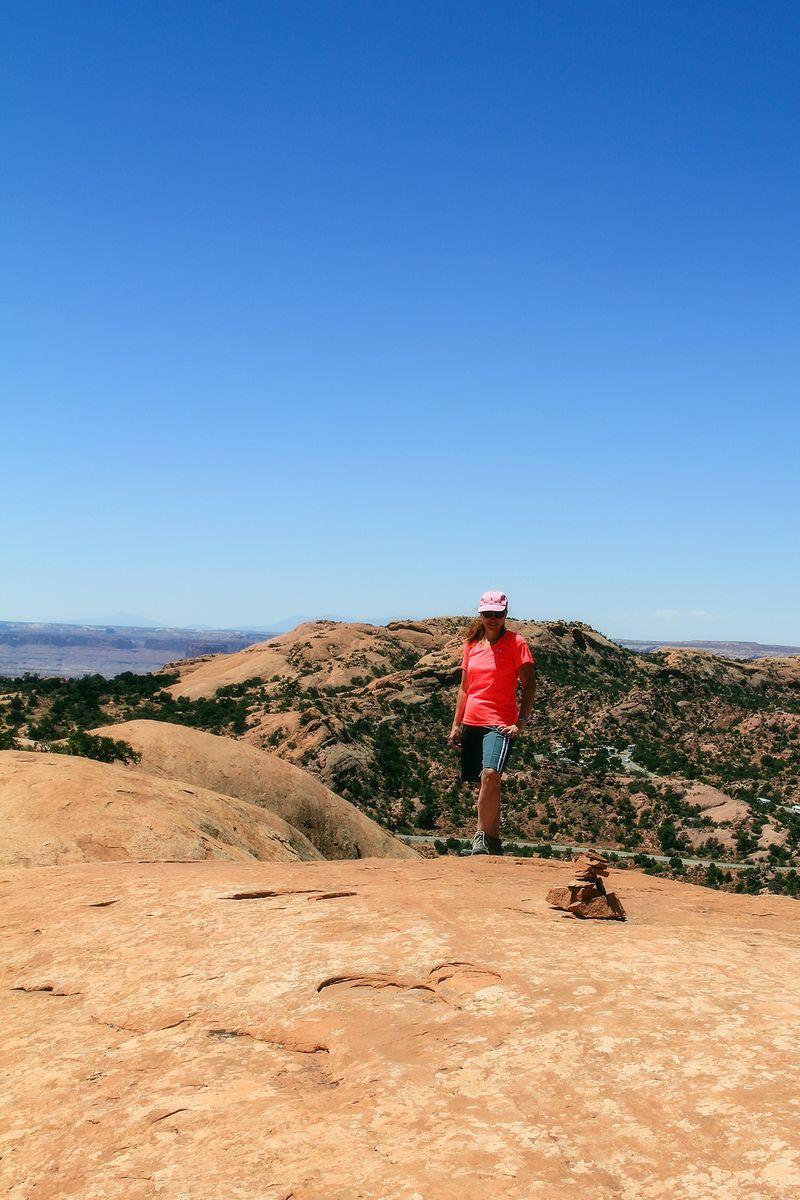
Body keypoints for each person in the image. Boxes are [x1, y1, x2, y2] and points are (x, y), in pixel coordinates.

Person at [448, 591, 536, 855]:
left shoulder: (516, 643)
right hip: (472, 721)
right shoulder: (472, 645)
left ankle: (481, 837)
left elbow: (530, 685)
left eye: (498, 614)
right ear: (481, 614)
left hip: (499, 723)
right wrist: (456, 724)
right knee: (483, 783)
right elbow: (464, 689)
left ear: (506, 614)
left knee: (491, 775)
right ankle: (493, 842)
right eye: (488, 614)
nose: (492, 619)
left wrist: (521, 722)